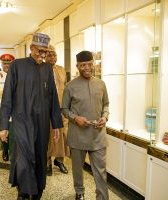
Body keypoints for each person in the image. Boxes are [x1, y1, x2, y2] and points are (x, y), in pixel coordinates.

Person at [0, 33, 63, 200]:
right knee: (23, 157)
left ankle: (37, 191)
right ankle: (23, 191)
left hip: (42, 122)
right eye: (40, 51)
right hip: (21, 120)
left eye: (45, 51)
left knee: (40, 156)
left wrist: (56, 124)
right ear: (32, 48)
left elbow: (53, 97)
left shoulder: (47, 68)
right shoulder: (16, 66)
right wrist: (4, 125)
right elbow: (7, 96)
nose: (42, 55)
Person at [62, 51, 109, 200]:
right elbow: (64, 109)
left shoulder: (101, 84)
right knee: (77, 169)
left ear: (93, 63)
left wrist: (105, 116)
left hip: (98, 135)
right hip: (78, 136)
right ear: (78, 66)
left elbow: (106, 104)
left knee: (101, 171)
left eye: (89, 64)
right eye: (83, 65)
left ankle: (102, 197)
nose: (87, 68)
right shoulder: (70, 86)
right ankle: (80, 192)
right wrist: (76, 119)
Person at [45, 45, 69, 176]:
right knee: (48, 136)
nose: (52, 57)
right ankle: (47, 161)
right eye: (49, 55)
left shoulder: (61, 70)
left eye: (54, 55)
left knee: (63, 135)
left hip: (60, 108)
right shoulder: (41, 69)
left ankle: (59, 160)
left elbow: (64, 88)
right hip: (46, 109)